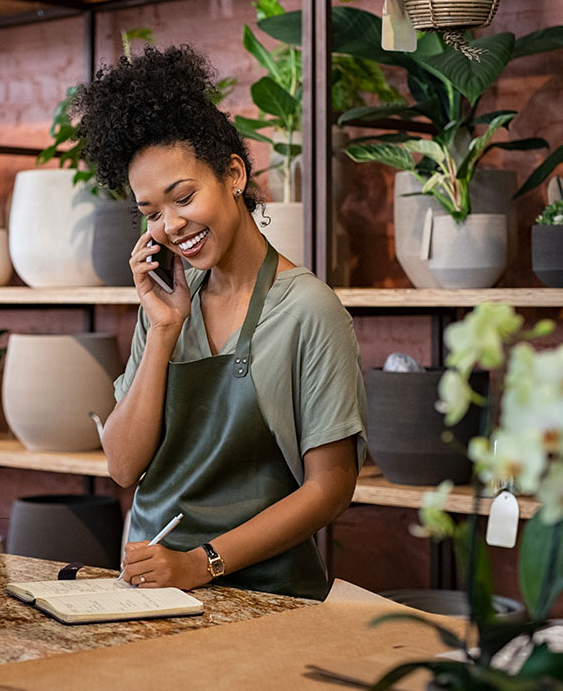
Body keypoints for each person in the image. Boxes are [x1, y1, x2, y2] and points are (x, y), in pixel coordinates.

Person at [73, 45, 368, 600]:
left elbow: (331, 487)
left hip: (265, 595)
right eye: (152, 212)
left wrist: (200, 564)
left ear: (233, 173)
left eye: (183, 197)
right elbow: (122, 465)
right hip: (152, 590)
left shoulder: (308, 310)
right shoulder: (164, 305)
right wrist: (162, 331)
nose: (171, 226)